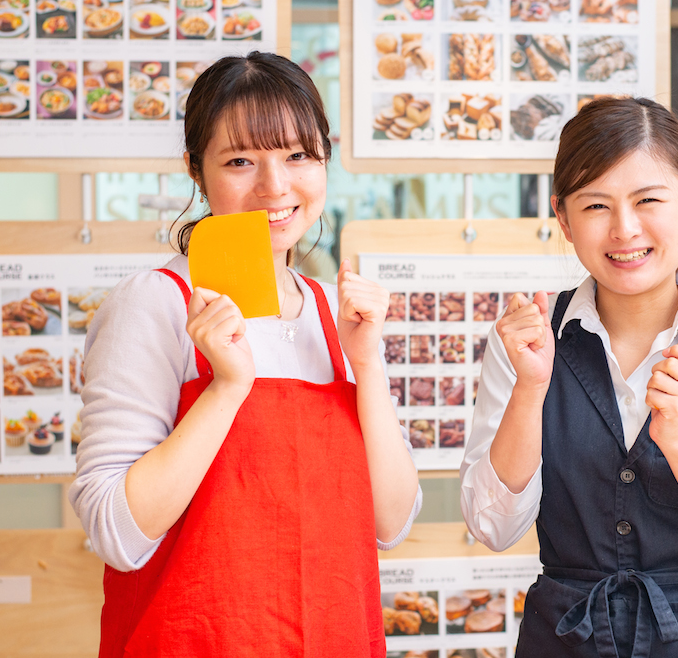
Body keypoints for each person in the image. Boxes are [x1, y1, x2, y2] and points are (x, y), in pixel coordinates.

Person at [69, 51, 421, 657]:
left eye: (298, 156)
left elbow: (391, 525)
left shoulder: (332, 311)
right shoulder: (156, 302)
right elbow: (115, 533)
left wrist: (367, 365)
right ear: (195, 170)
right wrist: (226, 389)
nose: (275, 186)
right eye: (240, 161)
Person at [461, 97, 678, 657]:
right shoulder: (527, 340)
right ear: (563, 218)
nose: (624, 229)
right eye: (596, 205)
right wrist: (530, 390)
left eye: (648, 200)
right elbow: (491, 528)